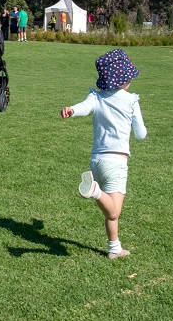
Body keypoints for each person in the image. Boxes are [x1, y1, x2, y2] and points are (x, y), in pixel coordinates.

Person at [60, 49, 147, 260]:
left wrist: (71, 109)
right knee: (114, 211)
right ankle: (94, 190)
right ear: (124, 78)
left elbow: (84, 107)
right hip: (116, 162)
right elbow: (141, 134)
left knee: (110, 211)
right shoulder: (131, 101)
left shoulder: (96, 97)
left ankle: (114, 248)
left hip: (96, 162)